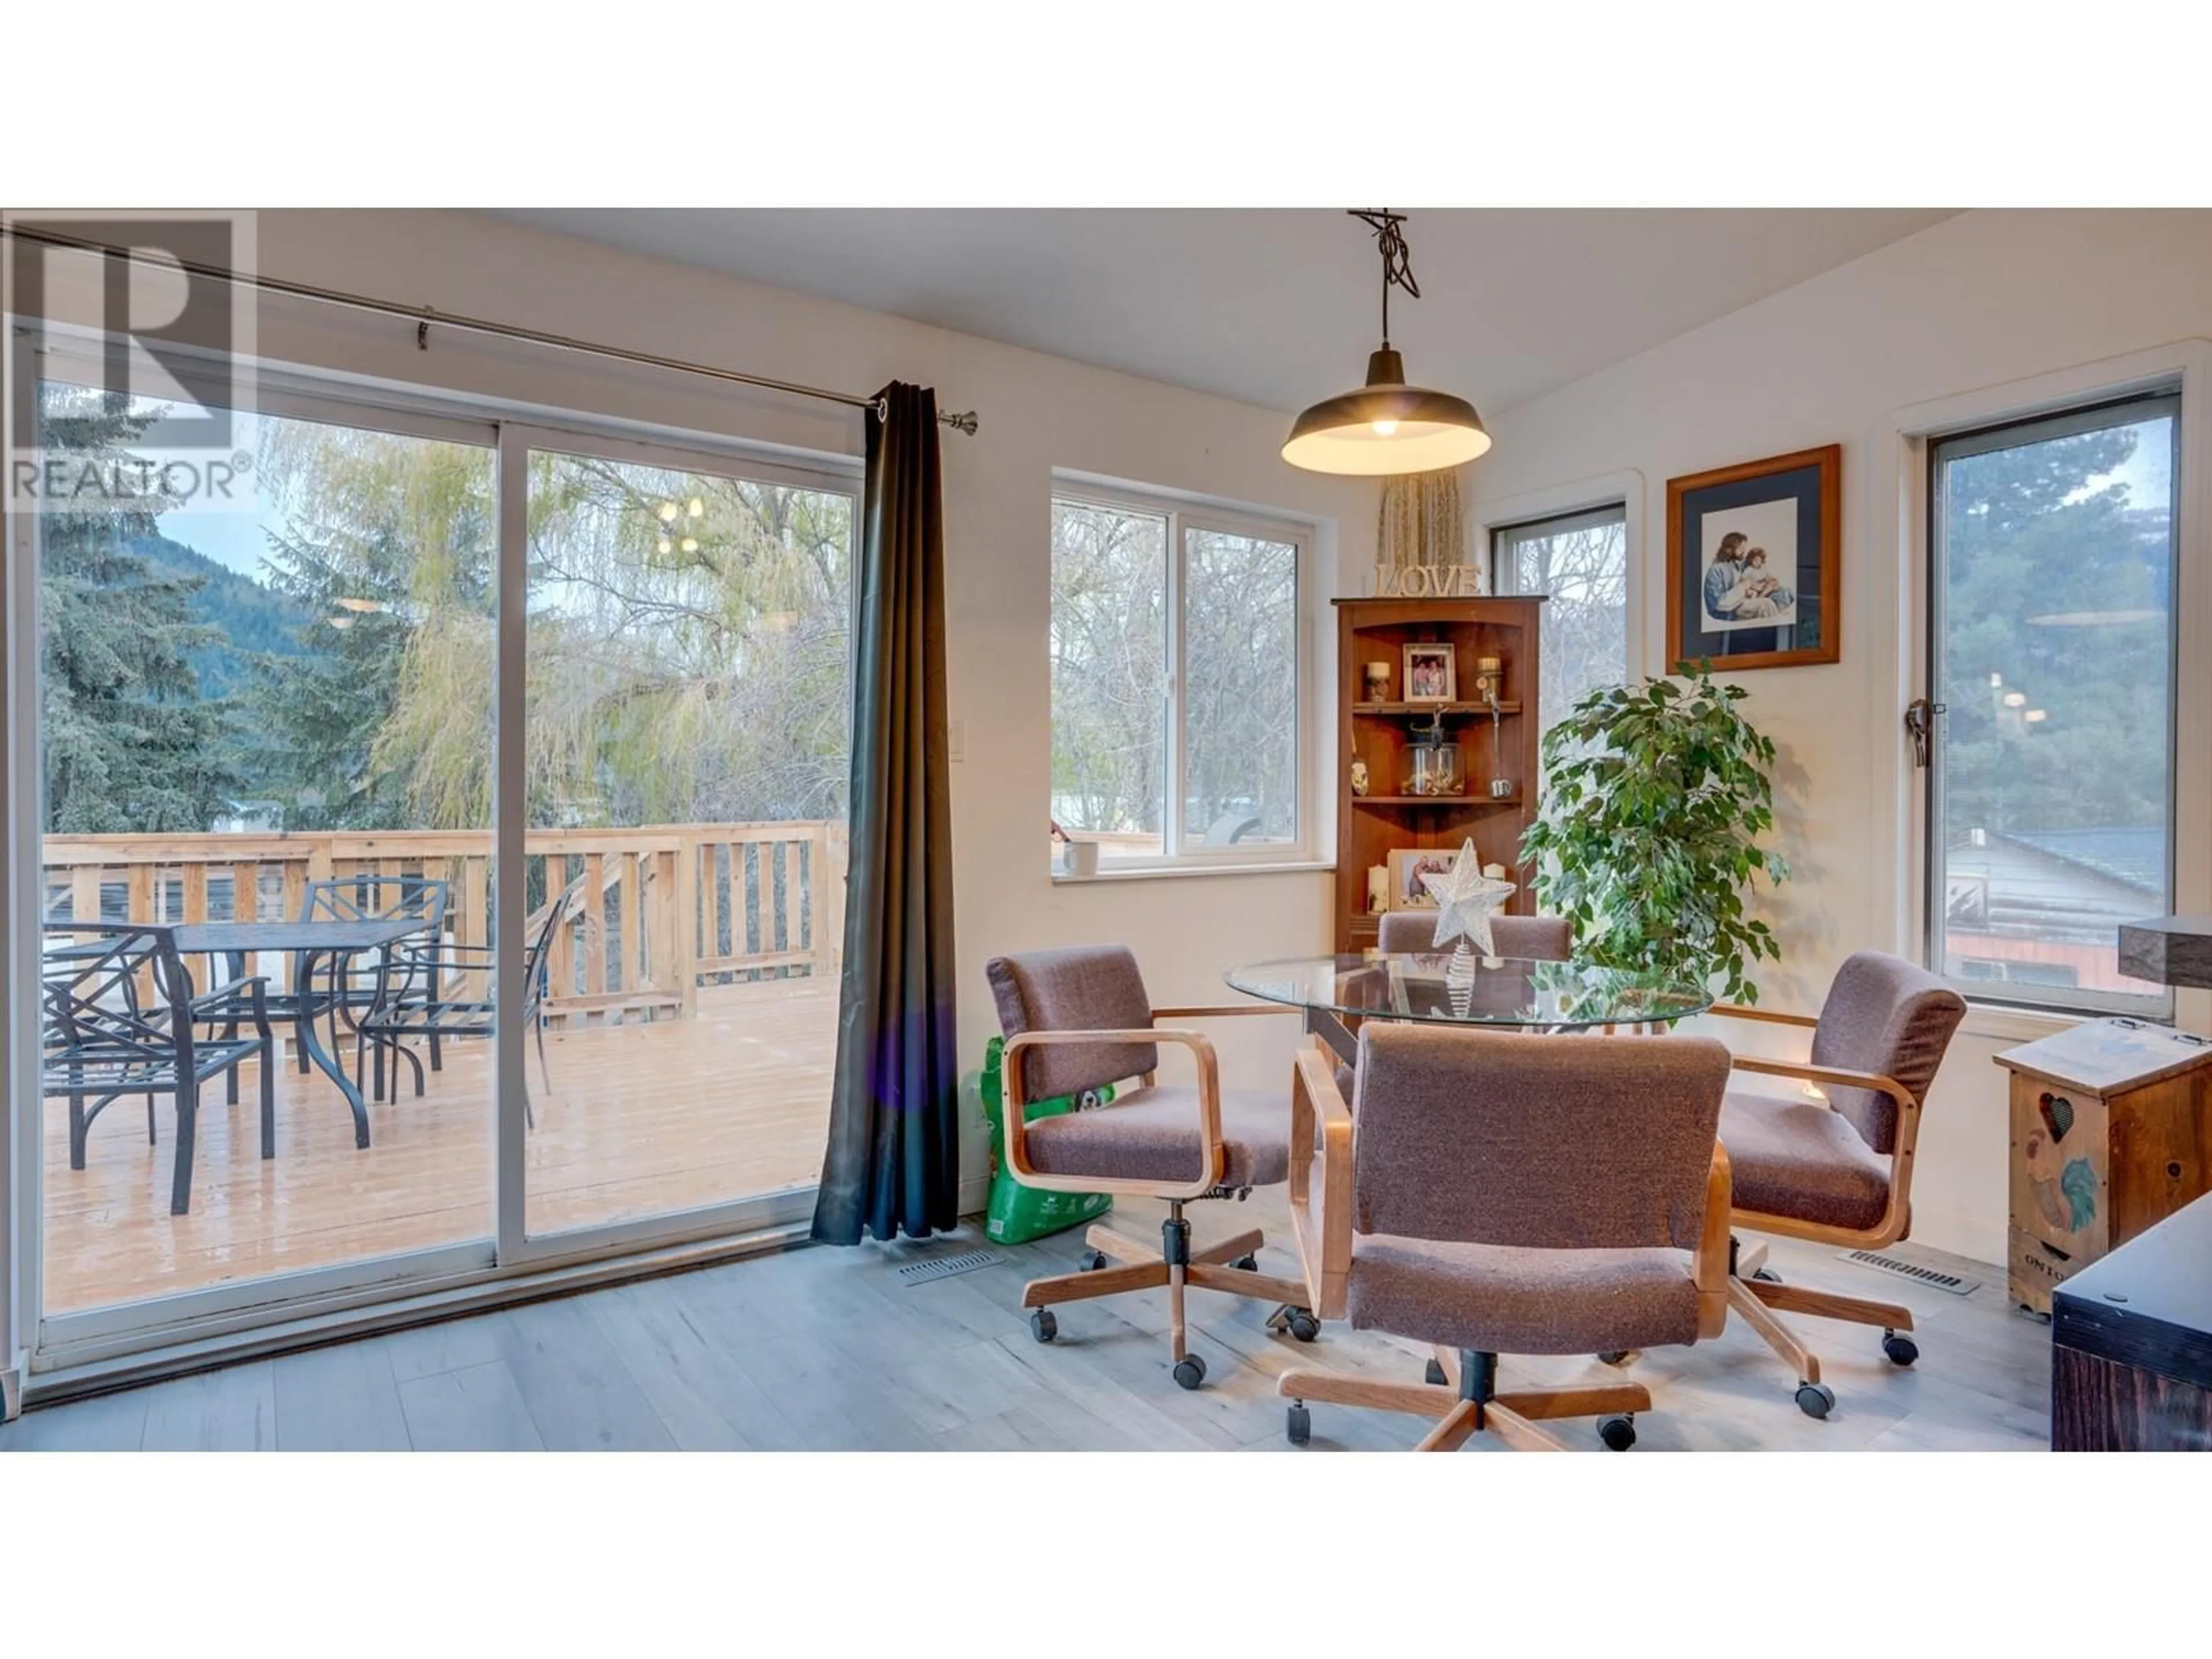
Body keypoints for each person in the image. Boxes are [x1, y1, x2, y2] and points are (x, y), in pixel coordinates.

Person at [1703, 532, 1749, 624]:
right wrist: (1742, 587)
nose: (1744, 551)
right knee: (1765, 606)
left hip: (1738, 604)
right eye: (1741, 548)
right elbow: (1718, 603)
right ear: (1730, 549)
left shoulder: (1735, 565)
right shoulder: (1716, 570)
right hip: (1725, 612)